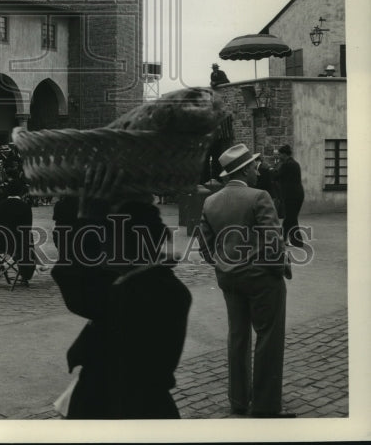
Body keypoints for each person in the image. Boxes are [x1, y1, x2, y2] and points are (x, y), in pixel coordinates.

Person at [52, 163, 191, 420]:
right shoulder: (151, 282)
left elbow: (76, 288)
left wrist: (87, 219)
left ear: (130, 243)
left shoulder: (141, 291)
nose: (103, 245)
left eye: (109, 236)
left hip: (120, 410)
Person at [199, 143, 293, 418]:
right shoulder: (259, 196)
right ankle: (265, 405)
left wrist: (222, 264)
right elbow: (274, 243)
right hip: (262, 279)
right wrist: (279, 270)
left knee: (237, 337)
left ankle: (238, 401)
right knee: (268, 338)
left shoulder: (210, 201)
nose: (257, 169)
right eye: (253, 165)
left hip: (230, 279)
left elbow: (204, 246)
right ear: (244, 170)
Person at [0, 176, 35, 283]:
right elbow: (27, 228)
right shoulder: (25, 206)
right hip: (19, 243)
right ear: (21, 192)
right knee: (28, 243)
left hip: (1, 242)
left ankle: (27, 268)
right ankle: (26, 273)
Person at [273, 144, 305, 247]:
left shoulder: (287, 164)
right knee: (290, 218)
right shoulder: (294, 163)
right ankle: (285, 239)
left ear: (284, 154)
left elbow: (276, 176)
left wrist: (271, 169)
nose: (278, 157)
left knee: (290, 218)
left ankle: (296, 241)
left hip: (292, 196)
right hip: (296, 195)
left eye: (279, 155)